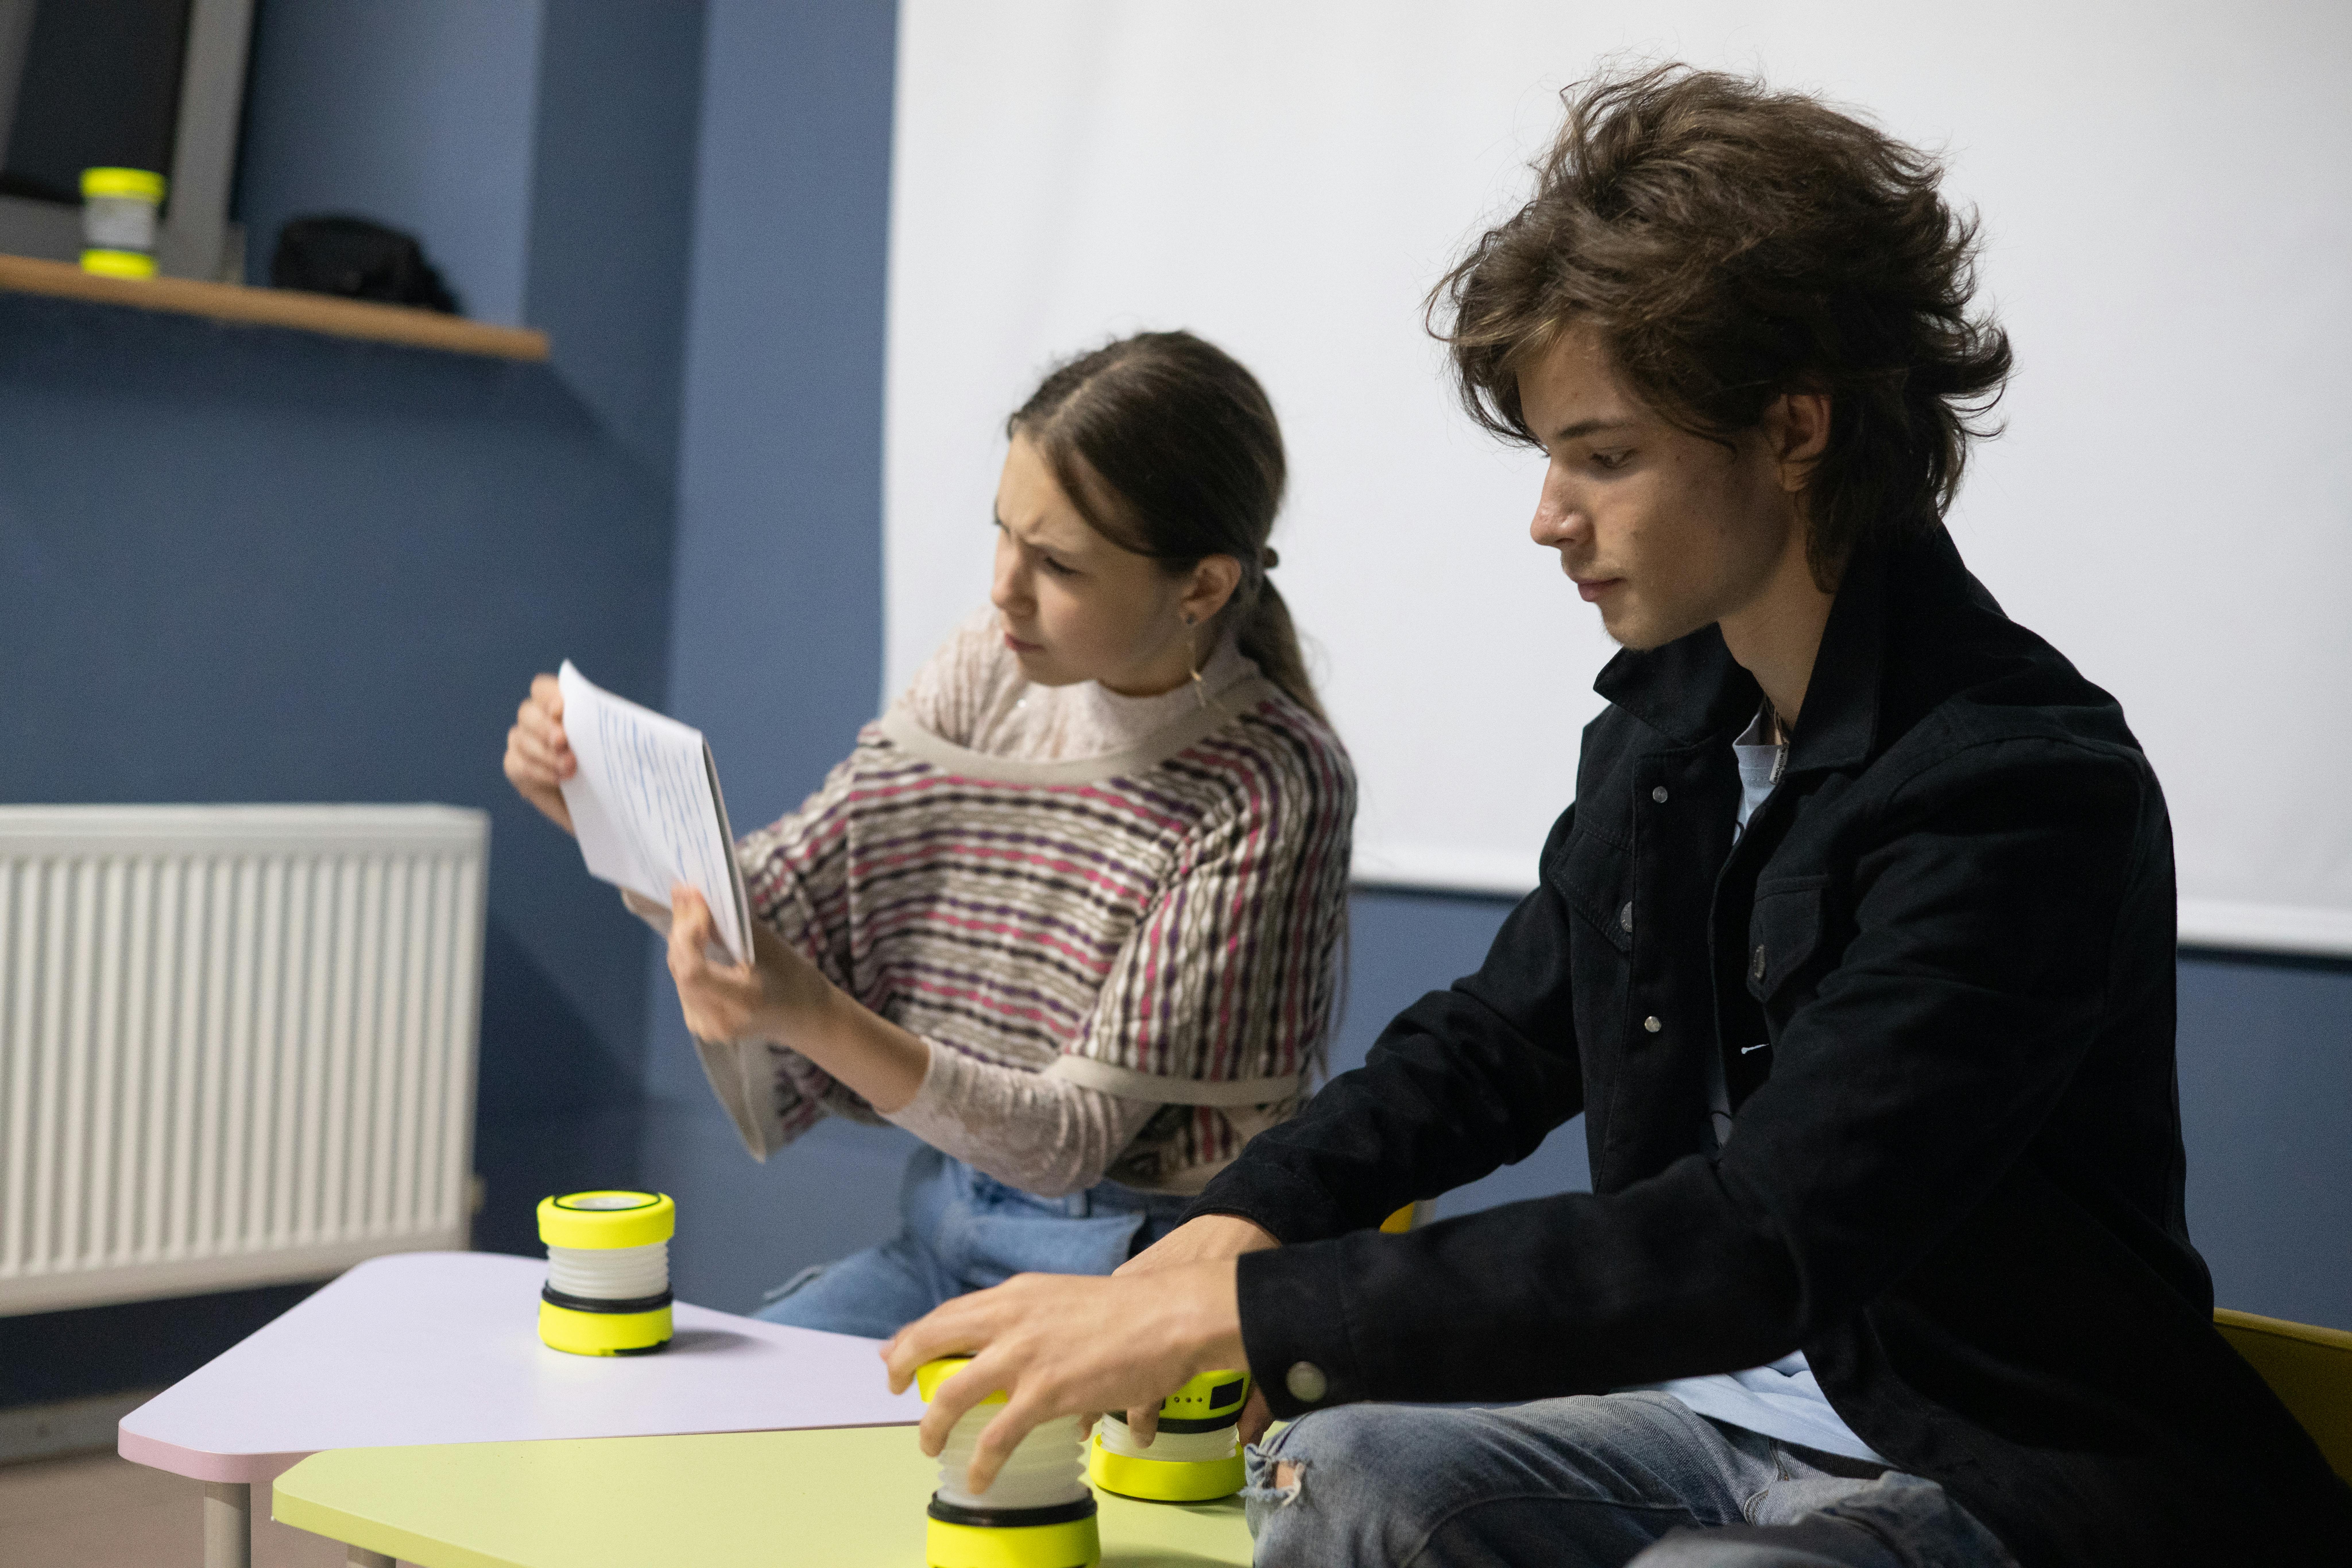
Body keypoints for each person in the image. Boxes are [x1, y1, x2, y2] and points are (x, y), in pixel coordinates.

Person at [877, 67, 2352, 1567]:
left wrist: (1268, 1314)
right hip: (1706, 1419)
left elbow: (1766, 1232)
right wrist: (1243, 1223)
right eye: (1547, 456)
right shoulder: (1670, 726)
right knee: (1346, 1467)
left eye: (1605, 455)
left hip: (1988, 1462)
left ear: (1794, 429)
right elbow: (1500, 1036)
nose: (1547, 515)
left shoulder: (2017, 787)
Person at [502, 330, 1355, 1339]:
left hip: (1137, 1267)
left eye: (1056, 563)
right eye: (1004, 532)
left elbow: (1068, 1142)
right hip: (949, 1220)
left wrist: (809, 1011)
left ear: (1203, 588)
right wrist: (606, 814)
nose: (1003, 586)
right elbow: (782, 895)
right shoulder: (986, 667)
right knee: (702, 1429)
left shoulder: (1270, 783)